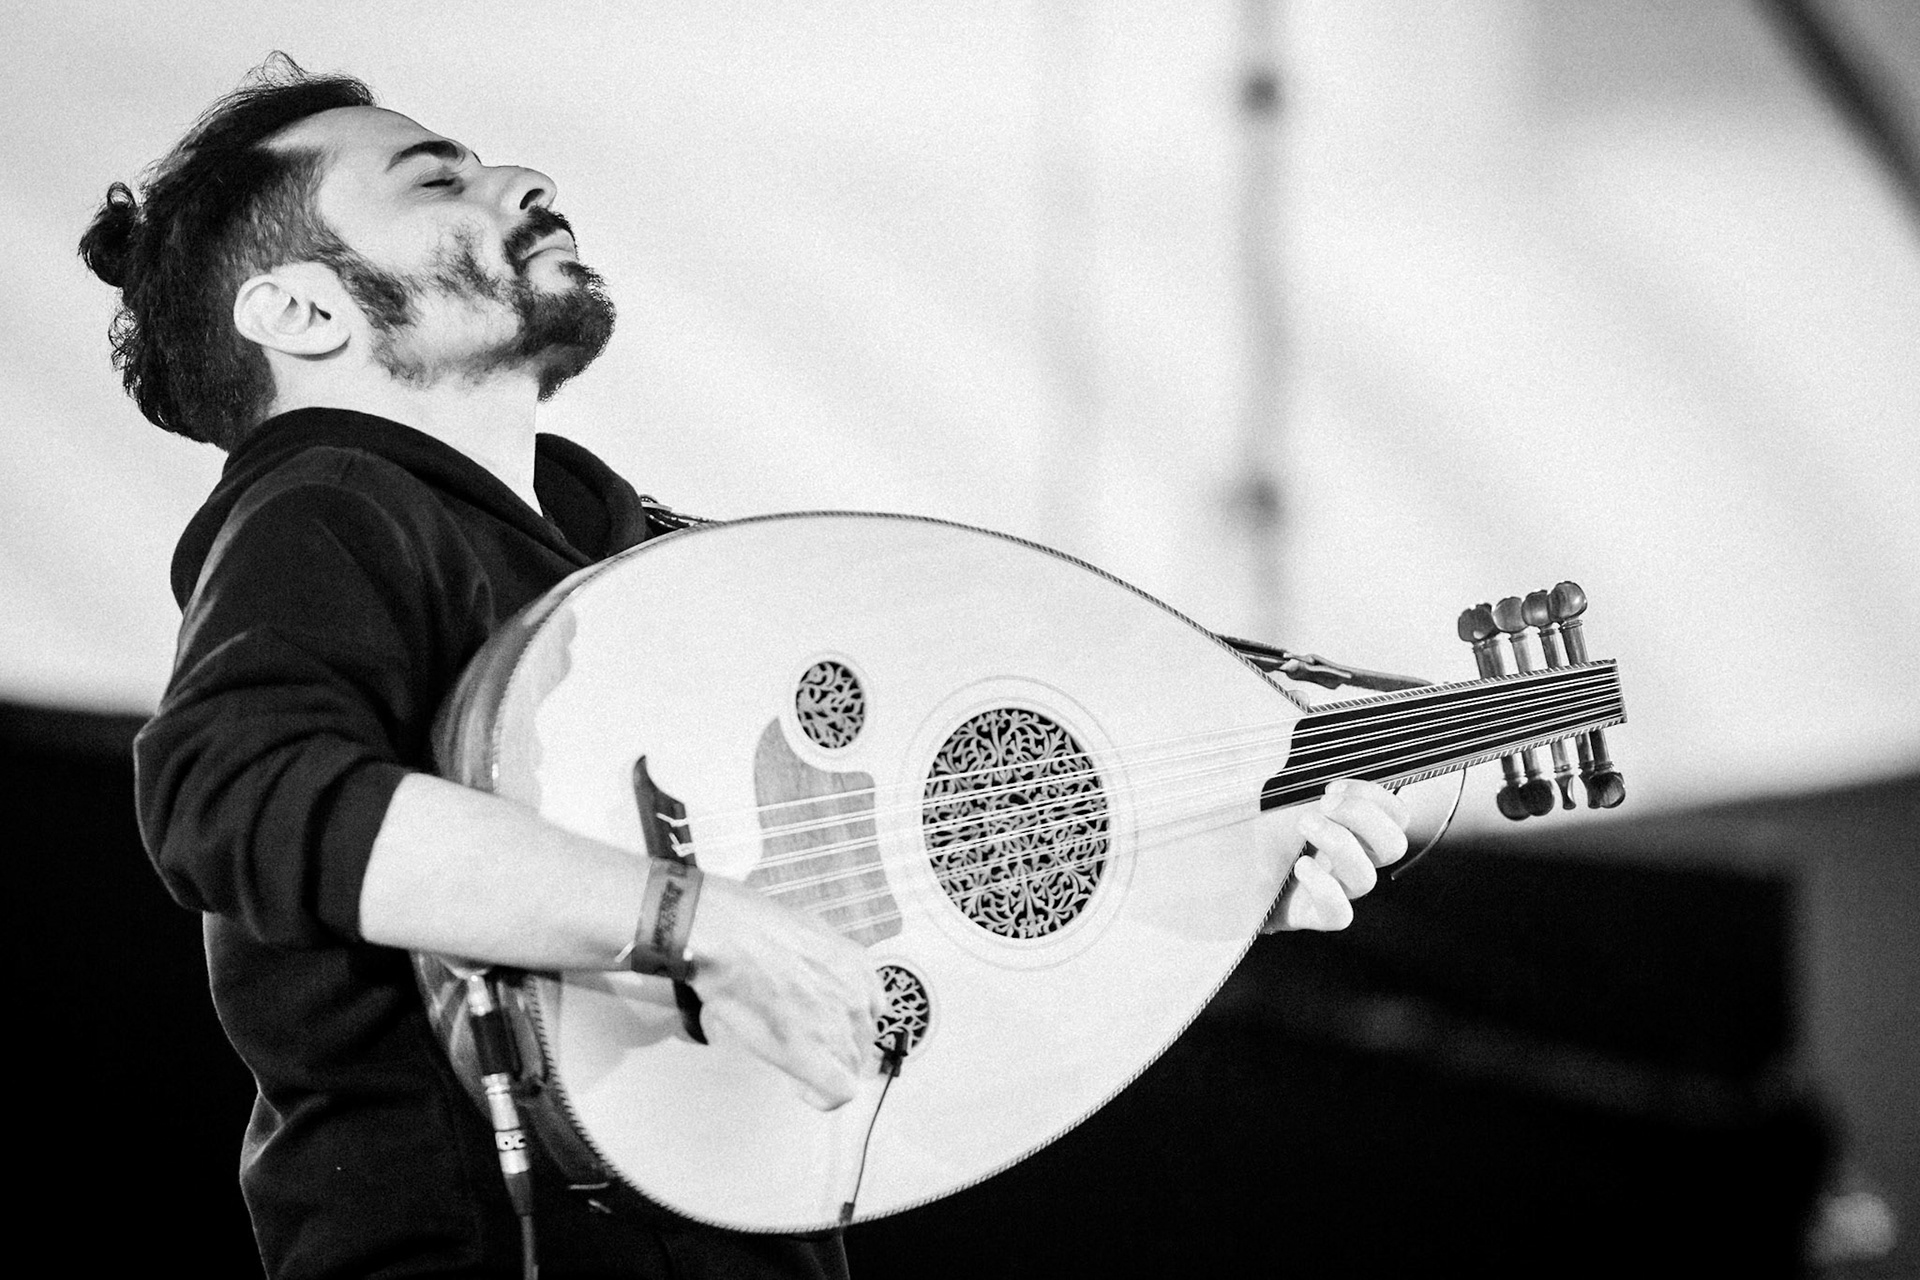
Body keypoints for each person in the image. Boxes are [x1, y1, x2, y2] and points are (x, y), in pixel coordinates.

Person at [81, 57, 1413, 1280]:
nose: (524, 182)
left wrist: (1198, 869)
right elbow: (229, 790)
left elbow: (863, 897)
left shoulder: (612, 570)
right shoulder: (324, 504)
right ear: (301, 309)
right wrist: (687, 922)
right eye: (436, 179)